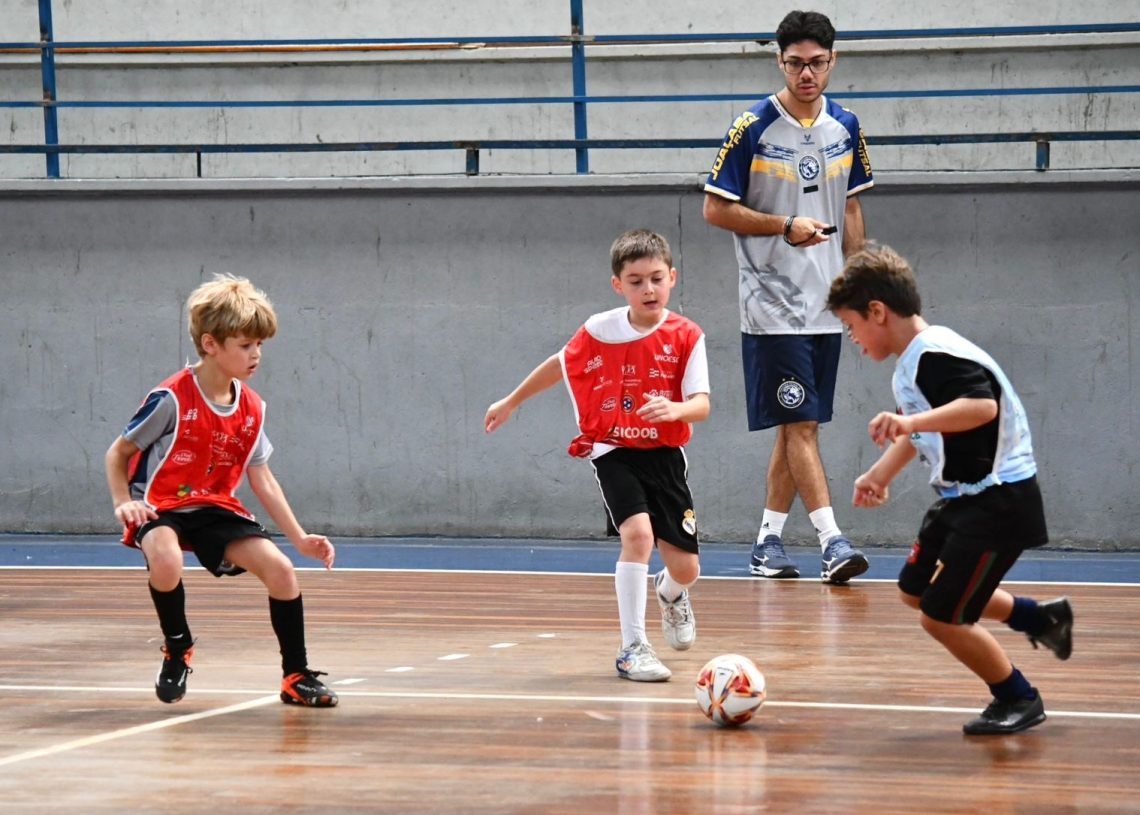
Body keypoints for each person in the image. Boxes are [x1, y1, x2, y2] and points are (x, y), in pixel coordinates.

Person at [826, 243, 1073, 735]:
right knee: (915, 592)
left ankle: (1019, 698)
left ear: (877, 311)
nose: (852, 338)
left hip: (999, 503)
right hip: (964, 500)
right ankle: (1038, 619)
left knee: (940, 618)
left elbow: (981, 408)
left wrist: (908, 419)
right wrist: (880, 473)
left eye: (851, 326)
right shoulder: (913, 362)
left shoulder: (934, 354)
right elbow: (924, 433)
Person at [485, 229, 710, 682]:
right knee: (638, 537)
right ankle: (633, 648)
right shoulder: (599, 329)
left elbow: (701, 404)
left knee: (686, 568)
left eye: (655, 278)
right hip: (613, 450)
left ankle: (671, 594)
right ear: (618, 285)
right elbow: (560, 363)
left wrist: (676, 408)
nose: (647, 288)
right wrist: (512, 400)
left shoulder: (688, 336)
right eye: (635, 280)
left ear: (672, 278)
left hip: (665, 455)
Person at [104, 274, 339, 708]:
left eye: (259, 346)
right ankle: (178, 648)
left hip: (214, 505)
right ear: (211, 344)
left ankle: (296, 675)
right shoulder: (171, 399)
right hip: (160, 504)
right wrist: (124, 501)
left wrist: (300, 538)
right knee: (166, 556)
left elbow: (262, 477)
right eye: (245, 345)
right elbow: (117, 453)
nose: (256, 355)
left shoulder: (252, 406)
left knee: (283, 571)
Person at [702, 9, 872, 583]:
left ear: (833, 61)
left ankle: (765, 544)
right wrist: (783, 226)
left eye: (817, 63)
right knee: (799, 426)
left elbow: (849, 207)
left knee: (796, 425)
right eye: (796, 63)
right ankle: (833, 541)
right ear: (779, 60)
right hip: (772, 306)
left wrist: (856, 292)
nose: (807, 74)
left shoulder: (845, 125)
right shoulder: (751, 126)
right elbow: (714, 208)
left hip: (825, 307)